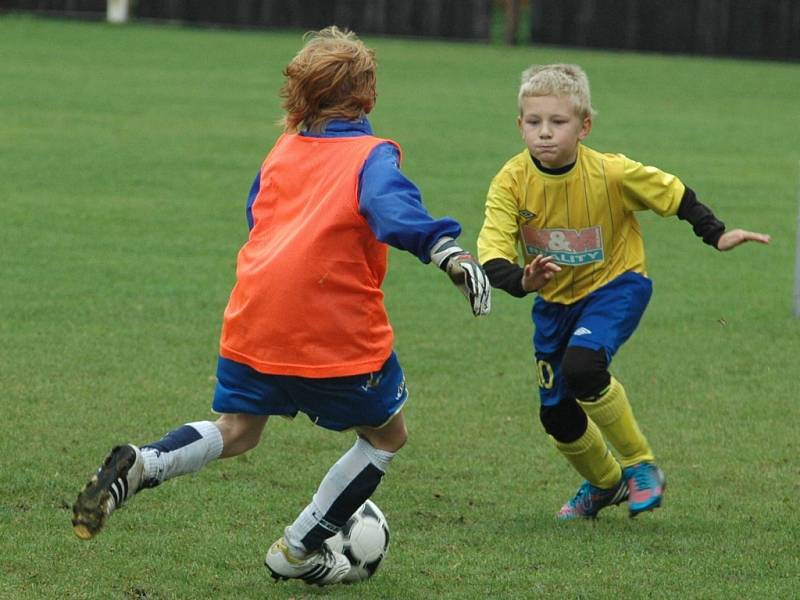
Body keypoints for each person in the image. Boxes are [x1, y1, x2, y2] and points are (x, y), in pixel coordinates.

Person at [71, 26, 491, 586]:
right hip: (331, 331)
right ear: (367, 97)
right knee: (387, 437)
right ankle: (298, 548)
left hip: (254, 316)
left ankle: (145, 464)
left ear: (298, 96)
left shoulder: (281, 151)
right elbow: (391, 206)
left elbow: (259, 219)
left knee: (240, 428)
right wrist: (447, 252)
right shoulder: (372, 154)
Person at [477, 63, 769, 521]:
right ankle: (605, 484)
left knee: (584, 366)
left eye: (559, 122)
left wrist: (716, 233)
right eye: (534, 123)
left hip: (617, 284)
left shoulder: (611, 173)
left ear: (585, 125)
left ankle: (640, 466)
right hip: (553, 304)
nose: (545, 133)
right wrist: (522, 281)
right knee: (556, 416)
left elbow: (673, 193)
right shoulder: (510, 181)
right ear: (520, 125)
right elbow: (493, 252)